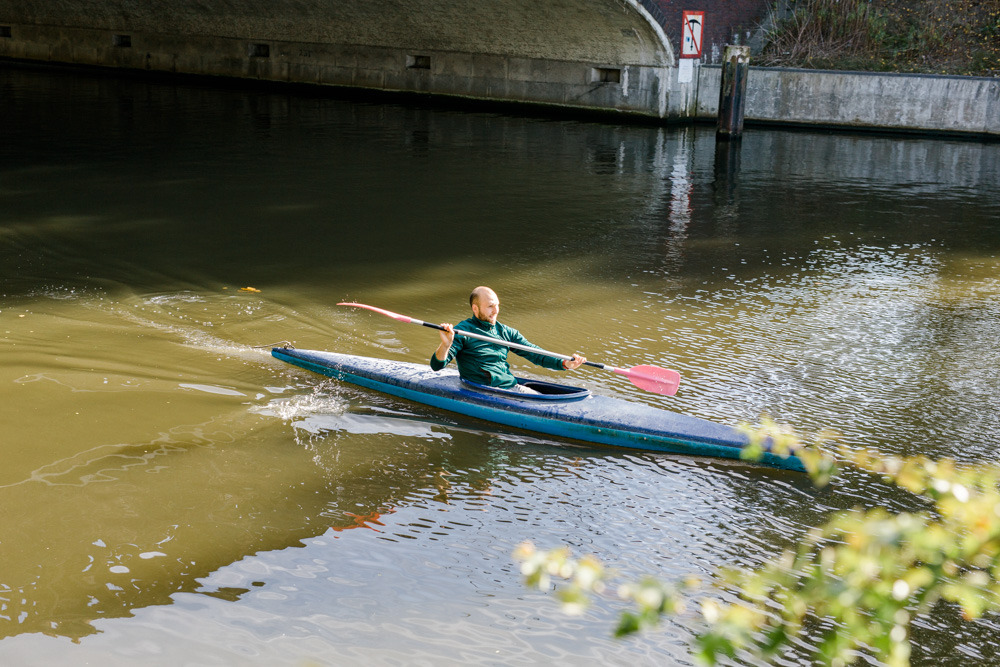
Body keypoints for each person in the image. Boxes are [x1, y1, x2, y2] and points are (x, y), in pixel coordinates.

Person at [430, 286, 586, 392]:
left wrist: (565, 363)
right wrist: (445, 345)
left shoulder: (506, 332)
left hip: (510, 386)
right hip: (482, 390)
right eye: (490, 306)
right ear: (475, 308)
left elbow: (535, 353)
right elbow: (437, 366)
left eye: (497, 305)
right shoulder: (462, 331)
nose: (496, 311)